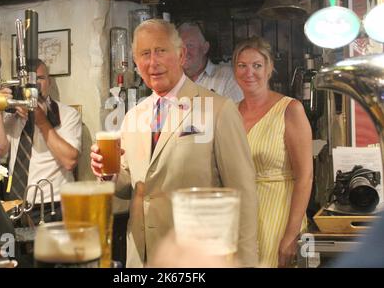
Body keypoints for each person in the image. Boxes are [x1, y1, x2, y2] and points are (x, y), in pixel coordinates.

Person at [91, 19, 258, 268]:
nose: (153, 62)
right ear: (136, 63)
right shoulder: (133, 116)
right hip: (142, 257)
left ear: (181, 55)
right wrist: (110, 175)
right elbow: (133, 186)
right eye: (145, 54)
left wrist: (245, 264)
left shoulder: (218, 109)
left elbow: (243, 195)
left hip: (198, 259)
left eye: (161, 51)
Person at [232, 36, 313, 268]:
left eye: (257, 65)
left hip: (278, 215)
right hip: (241, 218)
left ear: (269, 69)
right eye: (242, 65)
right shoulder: (230, 113)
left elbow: (305, 177)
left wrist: (291, 233)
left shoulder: (290, 109)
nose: (249, 72)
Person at [0, 59, 82, 224]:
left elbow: (70, 161)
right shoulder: (12, 117)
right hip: (16, 206)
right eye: (27, 81)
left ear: (49, 82)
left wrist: (41, 121)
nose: (33, 85)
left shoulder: (67, 115)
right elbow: (0, 151)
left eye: (40, 79)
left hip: (53, 205)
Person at [177, 22, 243, 102]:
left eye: (190, 45)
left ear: (205, 48)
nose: (184, 52)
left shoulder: (227, 77)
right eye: (179, 46)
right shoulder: (170, 79)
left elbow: (235, 113)